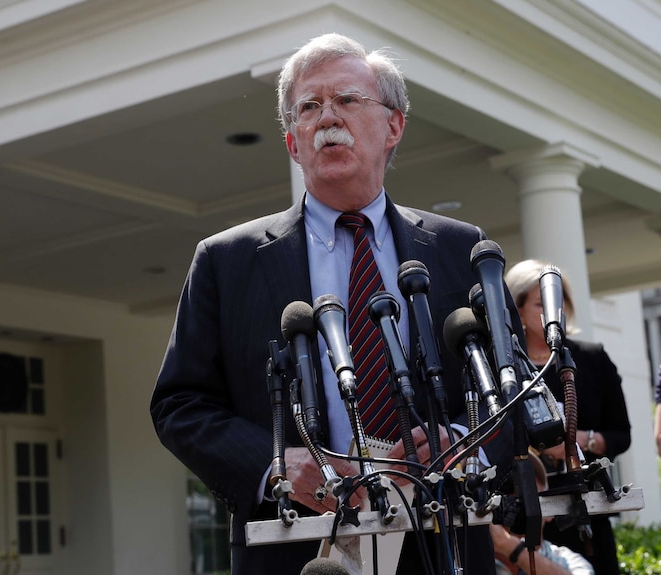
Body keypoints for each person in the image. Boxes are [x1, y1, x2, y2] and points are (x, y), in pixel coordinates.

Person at [151, 33, 519, 575]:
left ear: (393, 125)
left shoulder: (461, 250)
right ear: (292, 144)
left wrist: (465, 443)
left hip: (445, 544)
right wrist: (277, 465)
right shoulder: (226, 261)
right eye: (309, 107)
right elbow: (180, 404)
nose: (328, 118)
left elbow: (518, 384)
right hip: (300, 548)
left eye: (347, 100)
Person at [504, 259, 631, 575]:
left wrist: (579, 440)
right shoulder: (502, 368)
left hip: (586, 506)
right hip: (529, 516)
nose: (553, 310)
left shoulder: (591, 357)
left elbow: (621, 433)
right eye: (540, 303)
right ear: (517, 309)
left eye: (559, 302)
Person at [491, 450, 594, 575]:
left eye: (529, 490)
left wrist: (510, 546)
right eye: (507, 487)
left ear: (551, 511)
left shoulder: (568, 561)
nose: (517, 499)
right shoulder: (468, 559)